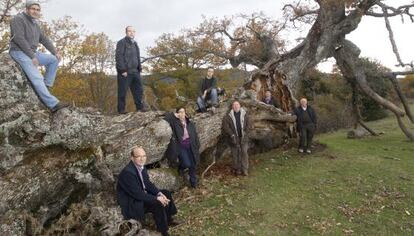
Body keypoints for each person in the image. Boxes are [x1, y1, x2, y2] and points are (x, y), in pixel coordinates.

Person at [9, 0, 67, 113]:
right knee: (37, 77)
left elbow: (44, 39)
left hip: (32, 52)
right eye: (33, 9)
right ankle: (53, 104)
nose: (35, 11)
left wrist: (55, 52)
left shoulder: (35, 24)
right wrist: (32, 56)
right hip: (19, 51)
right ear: (27, 9)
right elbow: (18, 39)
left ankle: (45, 88)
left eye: (37, 9)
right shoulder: (18, 19)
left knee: (54, 60)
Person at [117, 146, 180, 236]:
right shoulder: (128, 173)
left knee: (166, 193)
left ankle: (169, 219)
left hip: (141, 195)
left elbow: (147, 184)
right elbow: (137, 194)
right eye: (139, 156)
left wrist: (159, 193)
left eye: (144, 156)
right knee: (157, 203)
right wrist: (157, 198)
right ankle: (163, 231)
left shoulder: (141, 167)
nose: (142, 159)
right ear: (132, 158)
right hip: (132, 202)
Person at [164, 107, 200, 188]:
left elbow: (195, 134)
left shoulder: (190, 122)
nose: (182, 114)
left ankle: (193, 183)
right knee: (187, 163)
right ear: (177, 114)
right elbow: (165, 118)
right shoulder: (174, 123)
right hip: (181, 147)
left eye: (183, 112)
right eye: (180, 112)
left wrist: (197, 144)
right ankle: (181, 167)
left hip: (191, 146)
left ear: (185, 113)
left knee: (193, 164)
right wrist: (173, 115)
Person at [115, 26, 146, 114]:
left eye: (133, 31)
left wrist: (139, 68)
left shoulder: (135, 44)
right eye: (129, 31)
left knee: (138, 91)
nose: (132, 33)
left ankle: (139, 108)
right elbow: (119, 57)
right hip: (125, 72)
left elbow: (137, 57)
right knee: (123, 92)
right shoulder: (121, 42)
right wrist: (122, 70)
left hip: (135, 71)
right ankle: (121, 110)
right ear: (126, 32)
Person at [222, 100, 251, 176]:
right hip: (234, 138)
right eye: (234, 105)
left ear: (240, 106)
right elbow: (225, 126)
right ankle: (237, 169)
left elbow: (249, 124)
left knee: (244, 152)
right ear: (232, 107)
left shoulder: (245, 114)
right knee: (235, 154)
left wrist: (246, 132)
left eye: (237, 105)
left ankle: (245, 169)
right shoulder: (228, 116)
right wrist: (231, 134)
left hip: (243, 137)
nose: (236, 106)